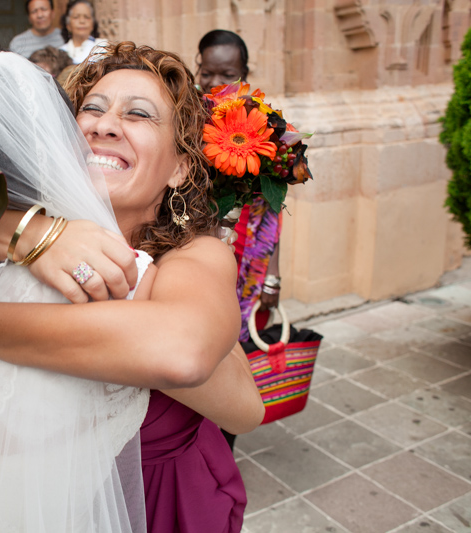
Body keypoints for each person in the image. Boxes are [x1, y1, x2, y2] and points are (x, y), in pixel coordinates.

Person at [0, 44, 262, 532]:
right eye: (91, 110)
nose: (102, 124)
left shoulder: (193, 255)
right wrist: (32, 235)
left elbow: (216, 380)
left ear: (181, 166)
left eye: (138, 114)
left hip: (162, 499)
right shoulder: (6, 237)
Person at [197, 29, 282, 449]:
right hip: (193, 266)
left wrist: (273, 278)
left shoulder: (266, 126)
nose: (214, 83)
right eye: (206, 71)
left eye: (225, 74)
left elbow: (274, 210)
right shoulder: (184, 122)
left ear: (244, 74)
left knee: (235, 352)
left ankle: (224, 445)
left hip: (246, 267)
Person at [58, 0, 107, 64]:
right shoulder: (61, 52)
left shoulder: (103, 47)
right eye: (76, 17)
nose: (82, 21)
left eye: (86, 17)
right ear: (68, 25)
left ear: (93, 24)